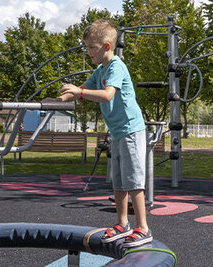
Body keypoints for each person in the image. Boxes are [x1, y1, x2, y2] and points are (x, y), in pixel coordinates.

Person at [57, 19, 153, 247]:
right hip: (118, 131)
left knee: (133, 180)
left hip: (131, 129)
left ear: (106, 46)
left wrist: (79, 92)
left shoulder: (116, 67)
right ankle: (122, 224)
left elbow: (107, 94)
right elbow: (81, 89)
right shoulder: (100, 70)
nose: (88, 51)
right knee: (119, 180)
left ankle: (143, 228)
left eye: (91, 47)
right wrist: (57, 101)